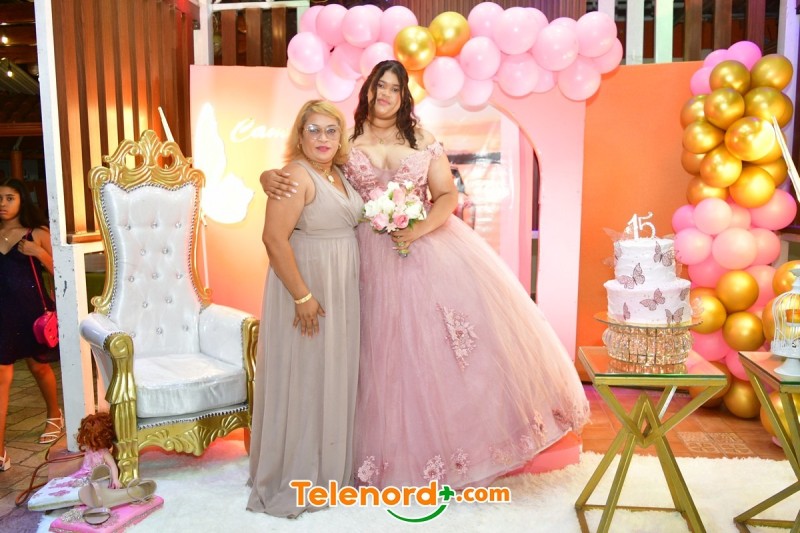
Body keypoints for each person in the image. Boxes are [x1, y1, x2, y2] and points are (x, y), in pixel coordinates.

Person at [263, 60, 589, 490]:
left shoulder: (422, 140)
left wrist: (418, 229)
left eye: (393, 89)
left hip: (421, 248)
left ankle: (439, 452)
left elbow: (447, 195)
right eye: (379, 86)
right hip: (360, 258)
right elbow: (313, 170)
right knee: (368, 355)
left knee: (432, 352)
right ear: (367, 91)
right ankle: (359, 454)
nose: (384, 95)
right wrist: (269, 176)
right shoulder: (345, 140)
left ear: (404, 97)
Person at [247, 100, 363, 517]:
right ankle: (298, 474)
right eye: (313, 130)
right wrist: (302, 296)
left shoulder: (338, 174)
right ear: (300, 135)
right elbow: (273, 239)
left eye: (331, 130)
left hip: (339, 288)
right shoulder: (296, 176)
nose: (323, 138)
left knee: (328, 375)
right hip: (307, 289)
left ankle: (327, 468)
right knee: (307, 378)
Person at [0, 178, 62, 471]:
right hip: (3, 315)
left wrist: (40, 253)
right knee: (2, 376)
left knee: (39, 367)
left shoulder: (36, 233)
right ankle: (0, 451)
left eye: (9, 198)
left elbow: (62, 270)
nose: (2, 203)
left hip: (32, 314)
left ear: (22, 200)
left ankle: (55, 415)